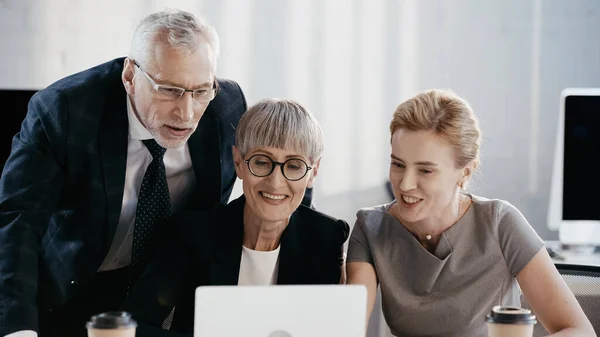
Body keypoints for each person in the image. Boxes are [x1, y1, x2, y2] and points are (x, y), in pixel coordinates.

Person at [0, 9, 252, 337]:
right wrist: (18, 328)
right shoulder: (65, 111)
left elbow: (282, 163)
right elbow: (17, 222)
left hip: (165, 295)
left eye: (200, 91)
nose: (187, 113)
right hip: (70, 287)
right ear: (130, 77)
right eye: (170, 90)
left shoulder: (227, 106)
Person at [346, 89, 595, 337]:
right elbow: (348, 329)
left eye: (425, 170)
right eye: (398, 164)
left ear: (465, 172)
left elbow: (579, 331)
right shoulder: (371, 227)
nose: (405, 184)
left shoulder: (500, 223)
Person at [124, 98, 349, 335]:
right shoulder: (192, 233)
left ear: (313, 172)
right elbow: (133, 326)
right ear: (239, 162)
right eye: (262, 162)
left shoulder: (326, 239)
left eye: (294, 166)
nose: (275, 182)